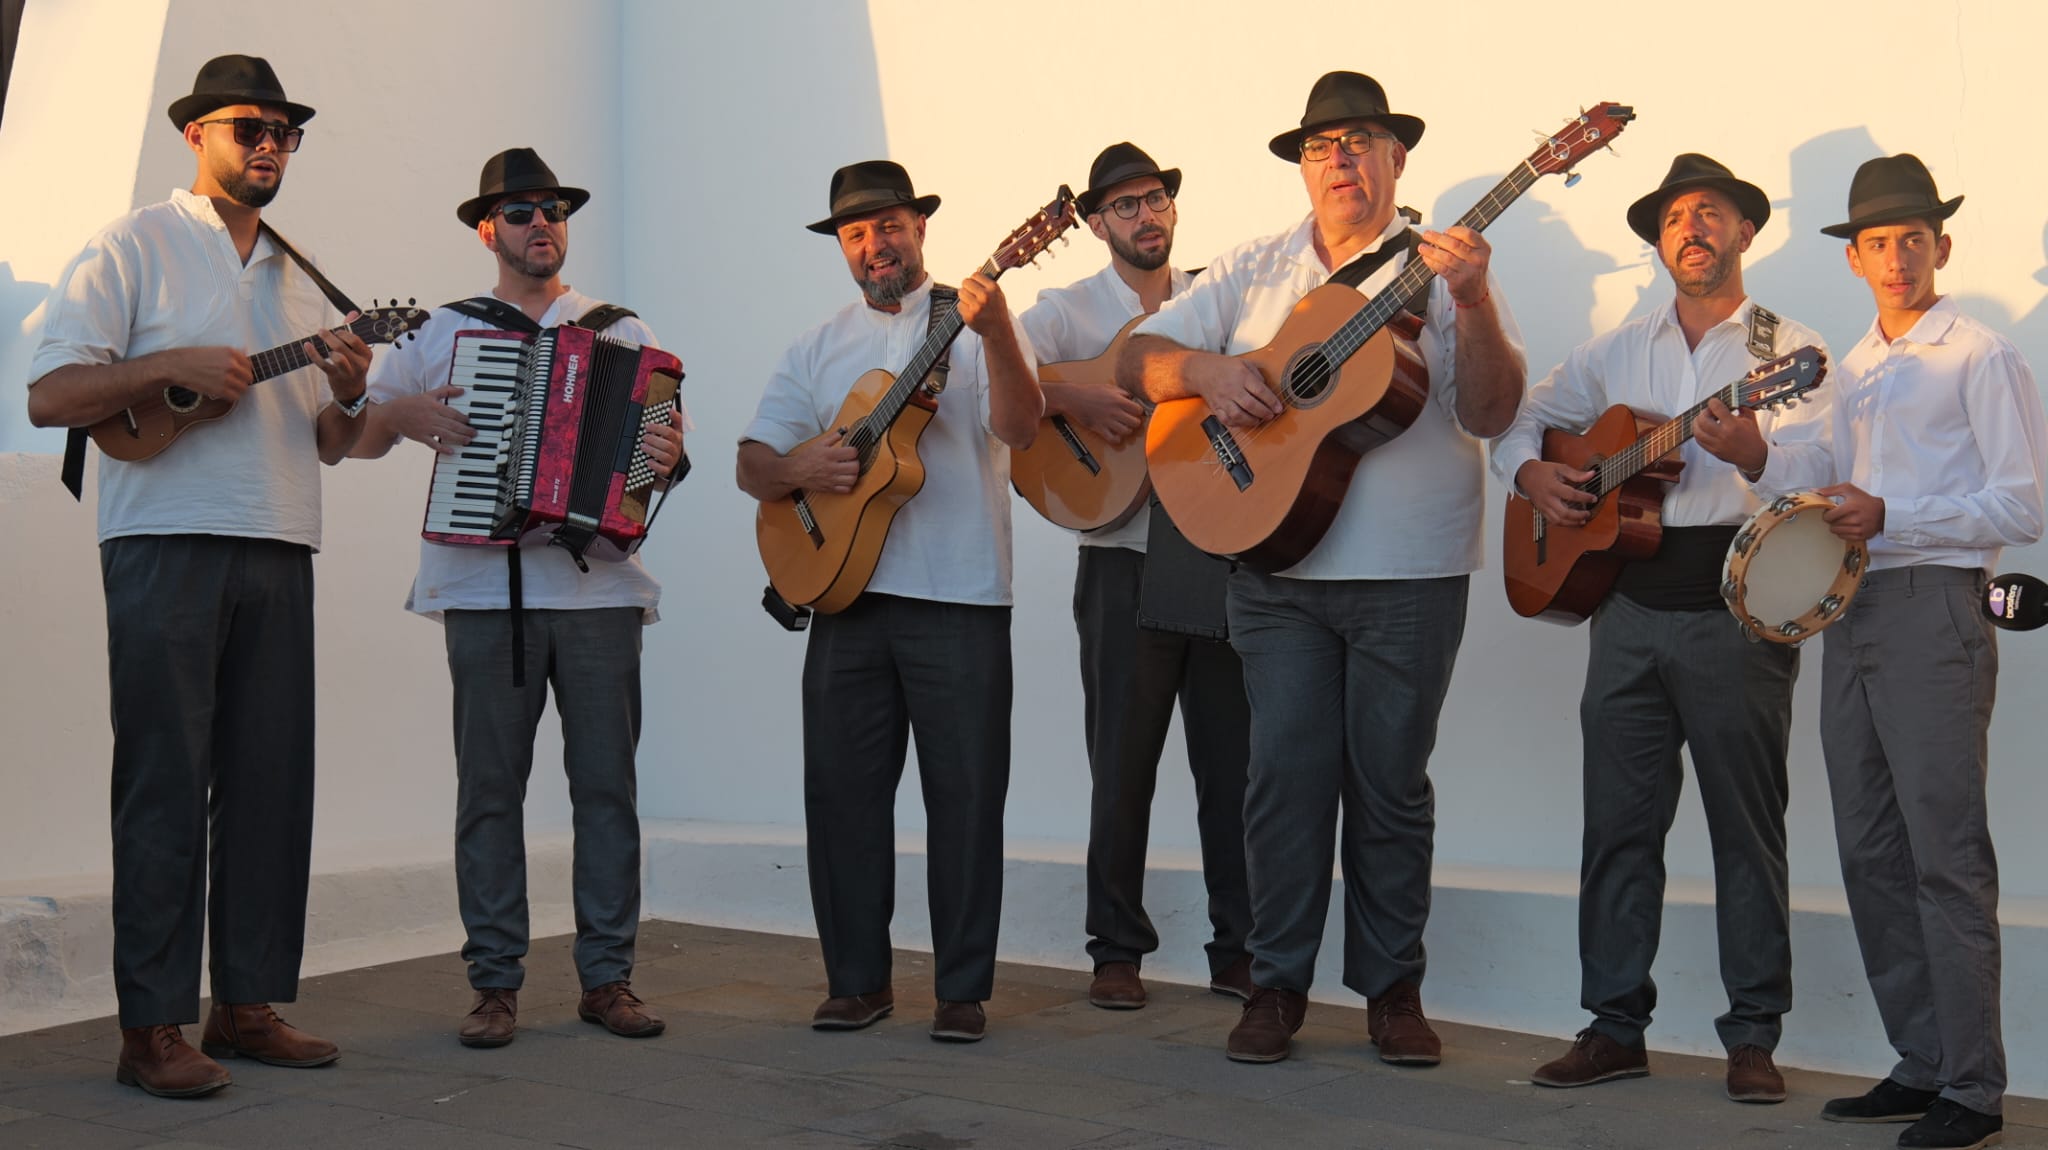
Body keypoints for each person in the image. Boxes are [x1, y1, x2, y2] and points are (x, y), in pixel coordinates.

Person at [1117, 71, 1525, 1065]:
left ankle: (1391, 989)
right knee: (1282, 778)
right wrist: (1209, 372)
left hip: (1410, 570)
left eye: (1359, 141)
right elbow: (1136, 358)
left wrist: (1470, 305)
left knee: (1389, 783)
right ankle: (1274, 983)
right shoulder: (1255, 267)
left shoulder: (1438, 266)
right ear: (1301, 167)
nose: (1338, 158)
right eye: (1319, 145)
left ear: (1395, 158)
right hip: (1273, 572)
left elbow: (1488, 409)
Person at [24, 54, 368, 1097]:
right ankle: (152, 1027)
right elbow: (50, 395)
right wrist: (164, 369)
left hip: (280, 538)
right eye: (246, 126)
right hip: (162, 537)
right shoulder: (132, 242)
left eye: (284, 130)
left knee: (271, 785)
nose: (268, 144)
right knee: (164, 783)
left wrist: (351, 391)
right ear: (196, 134)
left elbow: (332, 440)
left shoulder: (307, 277)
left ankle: (249, 1003)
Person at [1492, 153, 1831, 1104]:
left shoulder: (1785, 349)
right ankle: (1612, 1027)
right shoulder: (1615, 348)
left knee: (1746, 829)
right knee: (1619, 827)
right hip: (1627, 610)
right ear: (1657, 240)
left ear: (1745, 232)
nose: (1693, 228)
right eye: (1677, 216)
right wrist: (1531, 478)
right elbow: (1523, 422)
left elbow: (1826, 469)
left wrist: (1754, 447)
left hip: (1738, 609)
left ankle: (1753, 1036)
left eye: (1712, 213)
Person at [351, 148, 687, 1049]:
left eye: (553, 210)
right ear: (486, 230)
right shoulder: (441, 332)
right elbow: (358, 437)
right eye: (520, 212)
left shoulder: (620, 331)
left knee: (606, 790)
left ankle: (607, 979)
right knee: (490, 792)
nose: (541, 223)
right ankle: (494, 984)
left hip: (601, 592)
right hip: (482, 590)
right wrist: (402, 416)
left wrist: (664, 461)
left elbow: (659, 461)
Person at [1750, 153, 2045, 1150]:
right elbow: (1824, 476)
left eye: (1909, 239)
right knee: (1870, 850)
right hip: (1852, 611)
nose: (1892, 257)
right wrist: (1747, 452)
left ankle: (1972, 1085)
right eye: (1874, 242)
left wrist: (1894, 514)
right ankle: (1919, 1061)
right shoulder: (1859, 365)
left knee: (1942, 855)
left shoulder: (1982, 355)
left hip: (1935, 610)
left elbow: (2022, 504)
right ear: (1853, 259)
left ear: (1939, 247)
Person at [736, 160, 1040, 1043]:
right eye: (857, 232)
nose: (876, 244)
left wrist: (1003, 331)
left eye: (890, 225)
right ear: (842, 246)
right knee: (841, 796)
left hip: (961, 594)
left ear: (920, 230)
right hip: (845, 595)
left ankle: (961, 992)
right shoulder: (815, 346)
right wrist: (802, 467)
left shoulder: (973, 322)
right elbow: (753, 463)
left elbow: (1021, 429)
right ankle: (858, 983)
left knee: (968, 797)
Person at [1017, 142, 1253, 1012]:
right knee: (1122, 764)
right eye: (1124, 206)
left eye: (1155, 200)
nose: (1146, 216)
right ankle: (1116, 948)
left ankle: (1241, 947)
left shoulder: (1216, 298)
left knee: (1235, 768)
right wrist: (1071, 399)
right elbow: (991, 377)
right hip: (1118, 559)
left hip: (1216, 552)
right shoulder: (1065, 310)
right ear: (1094, 222)